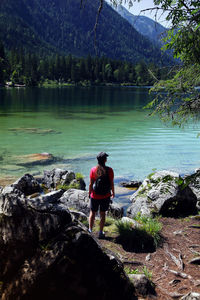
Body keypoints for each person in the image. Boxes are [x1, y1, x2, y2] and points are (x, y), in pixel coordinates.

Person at [88, 152, 115, 239]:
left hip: (95, 195)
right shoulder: (109, 170)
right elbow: (111, 183)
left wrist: (89, 193)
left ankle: (90, 230)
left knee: (92, 213)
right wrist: (113, 193)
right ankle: (100, 232)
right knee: (103, 214)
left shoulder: (93, 170)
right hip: (105, 196)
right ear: (105, 160)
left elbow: (91, 184)